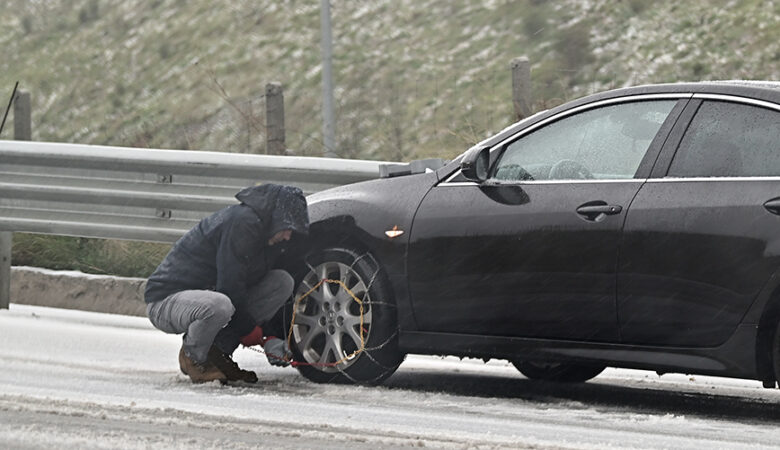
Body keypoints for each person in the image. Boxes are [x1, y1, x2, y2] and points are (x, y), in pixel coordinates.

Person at [144, 184, 309, 383]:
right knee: (220, 305)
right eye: (287, 228)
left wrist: (272, 337)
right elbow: (231, 287)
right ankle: (193, 357)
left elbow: (247, 293)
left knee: (281, 282)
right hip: (167, 300)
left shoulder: (268, 237)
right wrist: (260, 337)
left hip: (209, 296)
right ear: (276, 219)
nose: (288, 236)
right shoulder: (242, 223)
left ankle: (217, 354)